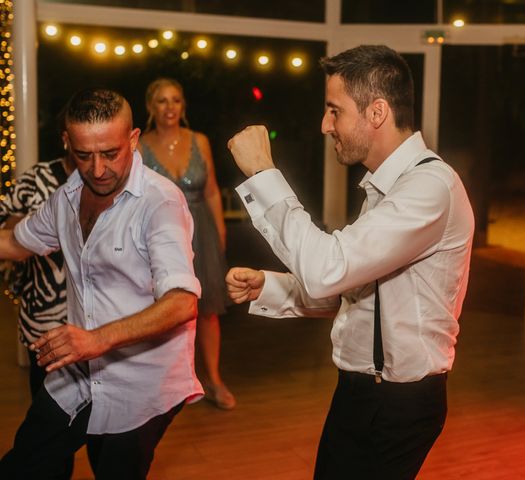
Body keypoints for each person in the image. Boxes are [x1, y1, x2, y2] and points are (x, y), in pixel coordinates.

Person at [225, 45, 475, 479]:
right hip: (361, 391)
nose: (325, 126)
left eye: (334, 110)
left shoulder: (430, 187)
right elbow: (358, 293)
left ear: (376, 112)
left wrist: (264, 174)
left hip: (399, 401)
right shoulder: (388, 187)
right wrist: (271, 287)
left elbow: (328, 270)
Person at [0, 88, 203, 480]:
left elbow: (181, 303)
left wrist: (96, 340)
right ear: (66, 143)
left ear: (132, 139)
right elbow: (13, 242)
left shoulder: (159, 203)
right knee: (24, 463)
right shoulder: (66, 198)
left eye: (111, 153)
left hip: (142, 381)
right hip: (78, 373)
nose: (97, 169)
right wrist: (89, 347)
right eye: (83, 154)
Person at [139, 78, 235, 410]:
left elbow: (210, 190)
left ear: (183, 106)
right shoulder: (139, 145)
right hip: (162, 232)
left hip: (202, 232)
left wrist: (220, 233)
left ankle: (214, 380)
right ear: (151, 107)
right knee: (164, 309)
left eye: (176, 100)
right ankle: (168, 382)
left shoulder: (200, 141)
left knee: (207, 310)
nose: (169, 108)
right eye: (162, 101)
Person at [0, 148, 76, 480]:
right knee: (48, 416)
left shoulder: (108, 180)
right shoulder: (38, 178)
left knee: (96, 427)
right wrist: (27, 228)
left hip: (95, 322)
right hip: (44, 315)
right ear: (66, 138)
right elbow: (6, 218)